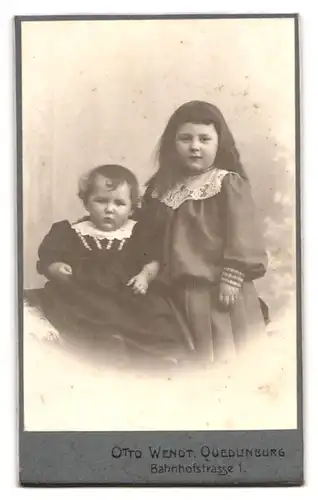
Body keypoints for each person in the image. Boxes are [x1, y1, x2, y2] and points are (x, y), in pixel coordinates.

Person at [136, 101, 268, 363]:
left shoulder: (226, 183)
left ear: (219, 143)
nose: (194, 146)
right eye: (185, 138)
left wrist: (232, 275)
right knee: (183, 356)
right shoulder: (163, 189)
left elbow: (242, 232)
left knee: (222, 355)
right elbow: (148, 237)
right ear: (172, 143)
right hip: (172, 291)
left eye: (204, 139)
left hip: (218, 289)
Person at [32, 164, 193, 365]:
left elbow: (153, 260)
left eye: (119, 203)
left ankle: (155, 356)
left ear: (132, 207)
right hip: (85, 294)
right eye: (100, 201)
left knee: (152, 322)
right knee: (84, 321)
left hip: (129, 296)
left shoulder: (138, 232)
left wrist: (144, 276)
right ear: (86, 202)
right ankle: (108, 346)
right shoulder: (71, 232)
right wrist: (55, 268)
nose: (109, 209)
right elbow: (49, 256)